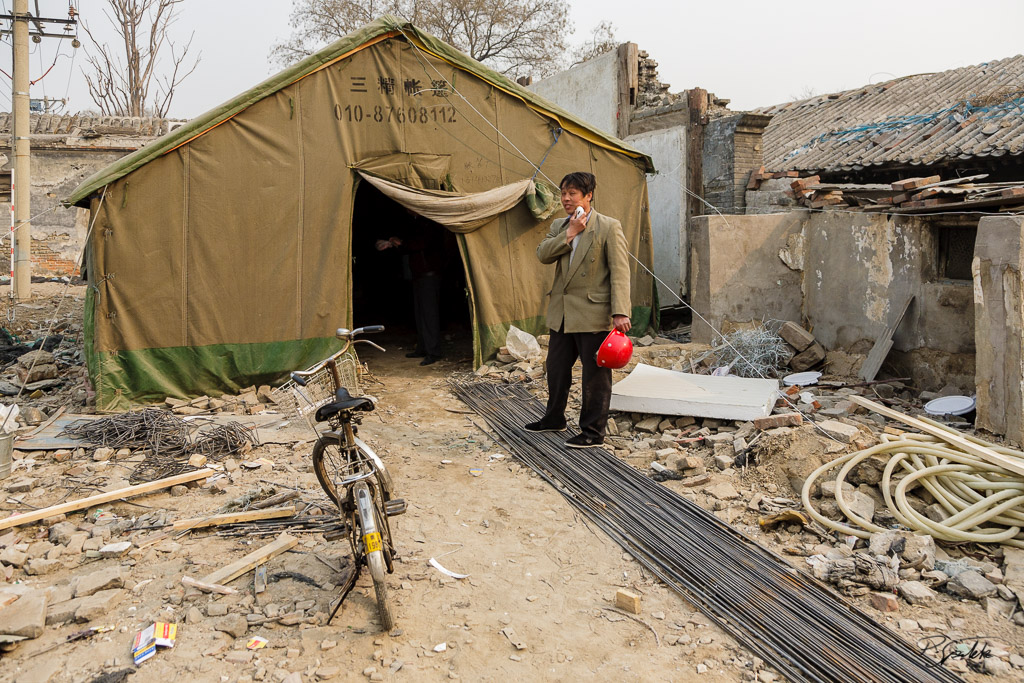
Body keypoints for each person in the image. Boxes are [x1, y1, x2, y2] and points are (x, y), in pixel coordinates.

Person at [525, 171, 631, 448]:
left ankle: (593, 432)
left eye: (572, 193)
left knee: (595, 376)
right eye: (563, 193)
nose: (566, 199)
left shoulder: (608, 226)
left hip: (592, 313)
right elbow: (543, 255)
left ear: (589, 195)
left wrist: (620, 311)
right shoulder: (560, 226)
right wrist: (570, 233)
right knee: (556, 368)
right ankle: (554, 418)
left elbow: (620, 272)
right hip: (561, 313)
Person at [375, 210, 446, 366]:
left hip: (429, 273)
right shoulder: (415, 222)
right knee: (420, 313)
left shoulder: (429, 222)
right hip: (420, 274)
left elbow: (420, 243)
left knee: (429, 314)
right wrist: (395, 243)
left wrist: (400, 243)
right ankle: (422, 348)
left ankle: (433, 351)